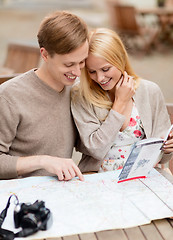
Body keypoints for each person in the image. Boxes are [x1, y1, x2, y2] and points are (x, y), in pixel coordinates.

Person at [0, 11, 89, 180]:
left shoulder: (76, 91)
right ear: (45, 54)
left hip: (62, 193)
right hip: (20, 199)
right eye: (69, 64)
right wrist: (42, 161)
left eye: (82, 62)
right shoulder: (9, 97)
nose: (77, 72)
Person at [71, 28, 173, 173]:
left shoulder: (150, 91)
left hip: (142, 175)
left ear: (120, 59)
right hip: (97, 178)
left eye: (105, 69)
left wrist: (168, 148)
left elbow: (162, 158)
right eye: (92, 71)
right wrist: (119, 102)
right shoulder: (81, 96)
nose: (100, 78)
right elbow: (96, 150)